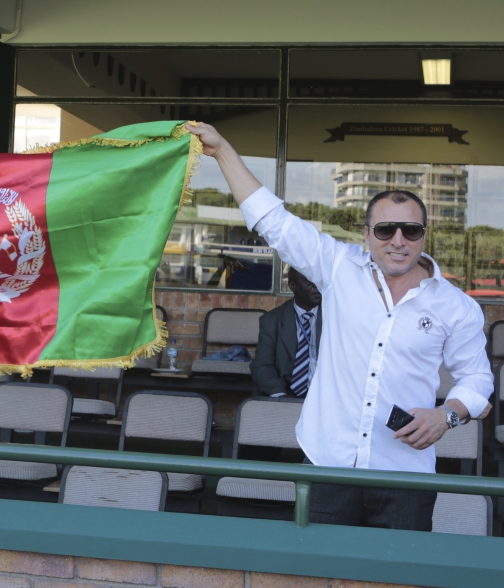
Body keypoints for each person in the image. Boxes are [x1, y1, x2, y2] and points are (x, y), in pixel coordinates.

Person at [186, 122, 493, 531]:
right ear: (367, 234)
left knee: (395, 586)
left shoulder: (456, 306)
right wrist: (223, 149)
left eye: (411, 230)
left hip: (405, 474)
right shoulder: (337, 266)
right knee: (321, 579)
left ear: (423, 236)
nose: (398, 240)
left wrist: (448, 415)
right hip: (327, 465)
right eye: (385, 229)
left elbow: (477, 379)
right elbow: (272, 220)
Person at [250, 267, 322, 398]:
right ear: (292, 286)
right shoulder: (271, 321)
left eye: (319, 282)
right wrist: (280, 397)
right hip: (286, 393)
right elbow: (262, 365)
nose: (317, 287)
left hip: (324, 396)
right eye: (310, 283)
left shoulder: (335, 318)